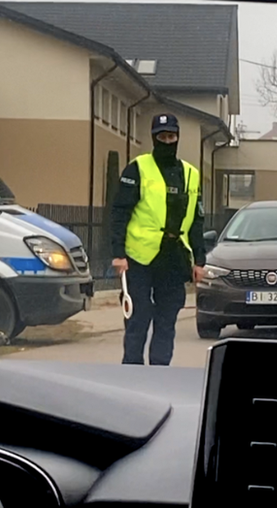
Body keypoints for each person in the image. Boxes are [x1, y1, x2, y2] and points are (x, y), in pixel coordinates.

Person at [110, 113, 207, 365]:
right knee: (138, 318)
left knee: (166, 321)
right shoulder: (137, 168)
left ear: (177, 138)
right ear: (154, 138)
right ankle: (132, 371)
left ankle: (160, 373)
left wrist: (199, 260)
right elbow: (120, 212)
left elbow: (196, 221)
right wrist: (118, 254)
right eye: (161, 136)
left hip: (173, 256)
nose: (167, 141)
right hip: (139, 257)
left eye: (171, 136)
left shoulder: (190, 174)